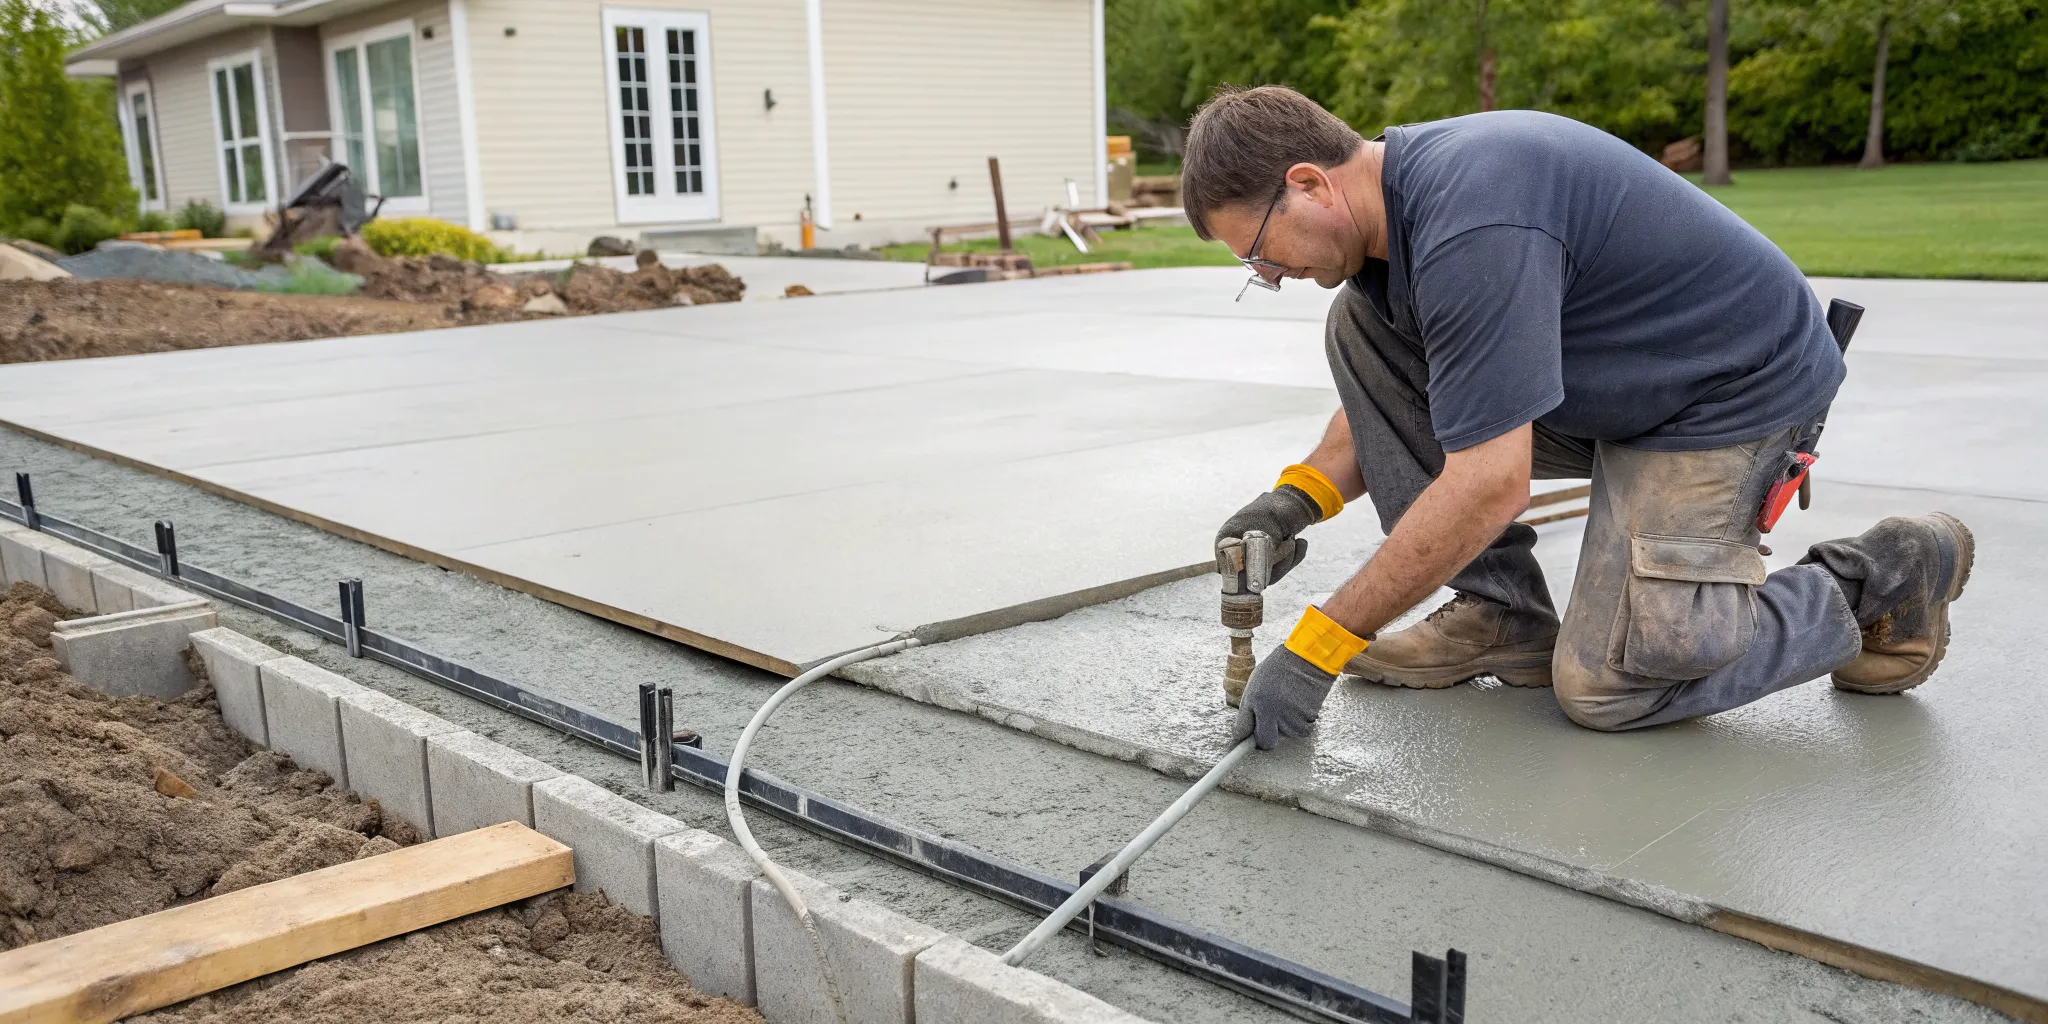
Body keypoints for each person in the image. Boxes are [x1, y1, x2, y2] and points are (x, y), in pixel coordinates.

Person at [1193, 86, 1973, 748]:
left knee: (1612, 684)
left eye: (1258, 250)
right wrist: (1294, 500)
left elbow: (1488, 483)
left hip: (1728, 396)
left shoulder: (1475, 222)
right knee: (1359, 329)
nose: (1268, 273)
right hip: (1618, 383)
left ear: (1310, 183)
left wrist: (1319, 647)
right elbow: (1389, 406)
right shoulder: (1388, 233)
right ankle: (1503, 615)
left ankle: (1887, 570)